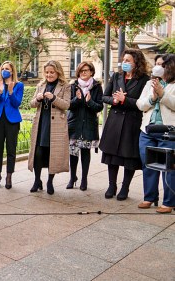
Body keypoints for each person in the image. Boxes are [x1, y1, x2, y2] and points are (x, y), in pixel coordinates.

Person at [99, 49, 150, 200]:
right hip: (114, 121)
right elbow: (104, 96)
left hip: (132, 122)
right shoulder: (116, 76)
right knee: (112, 156)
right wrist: (114, 101)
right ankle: (111, 185)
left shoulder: (144, 80)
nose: (124, 63)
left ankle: (125, 188)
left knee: (129, 158)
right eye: (124, 60)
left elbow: (144, 103)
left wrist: (124, 100)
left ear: (136, 63)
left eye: (128, 60)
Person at [137, 53, 175, 213]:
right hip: (147, 130)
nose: (158, 67)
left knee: (169, 168)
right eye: (157, 63)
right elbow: (140, 104)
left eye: (162, 64)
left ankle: (169, 201)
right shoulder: (149, 83)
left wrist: (163, 94)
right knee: (148, 165)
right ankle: (150, 197)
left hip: (168, 132)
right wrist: (152, 98)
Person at [28, 60, 70, 195]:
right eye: (47, 72)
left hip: (56, 124)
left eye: (52, 72)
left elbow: (66, 105)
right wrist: (38, 99)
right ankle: (37, 180)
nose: (49, 75)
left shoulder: (65, 86)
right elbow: (32, 104)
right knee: (38, 153)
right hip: (41, 123)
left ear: (58, 72)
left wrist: (53, 98)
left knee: (52, 154)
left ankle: (50, 182)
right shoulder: (41, 85)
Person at [67, 62, 103, 191]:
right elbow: (68, 105)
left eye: (86, 70)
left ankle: (84, 179)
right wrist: (77, 99)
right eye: (81, 70)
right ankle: (72, 177)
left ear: (91, 72)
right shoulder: (73, 85)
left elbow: (100, 106)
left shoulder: (97, 86)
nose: (83, 73)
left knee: (85, 152)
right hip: (74, 124)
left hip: (88, 124)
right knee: (73, 153)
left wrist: (89, 102)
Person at [0, 61, 24, 189]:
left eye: (7, 69)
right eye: (3, 68)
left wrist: (10, 92)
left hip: (12, 121)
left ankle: (9, 176)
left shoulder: (19, 85)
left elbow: (17, 103)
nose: (4, 71)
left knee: (11, 150)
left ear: (12, 71)